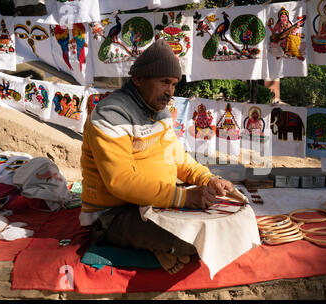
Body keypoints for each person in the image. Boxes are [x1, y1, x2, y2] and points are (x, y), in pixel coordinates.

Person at [80, 39, 234, 274]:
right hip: (115, 214)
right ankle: (147, 248)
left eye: (173, 84)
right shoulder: (111, 114)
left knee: (220, 226)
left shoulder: (159, 111)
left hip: (154, 204)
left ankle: (157, 246)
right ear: (138, 79)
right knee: (190, 239)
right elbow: (120, 181)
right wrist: (185, 198)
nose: (170, 91)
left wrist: (207, 179)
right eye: (164, 82)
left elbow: (178, 159)